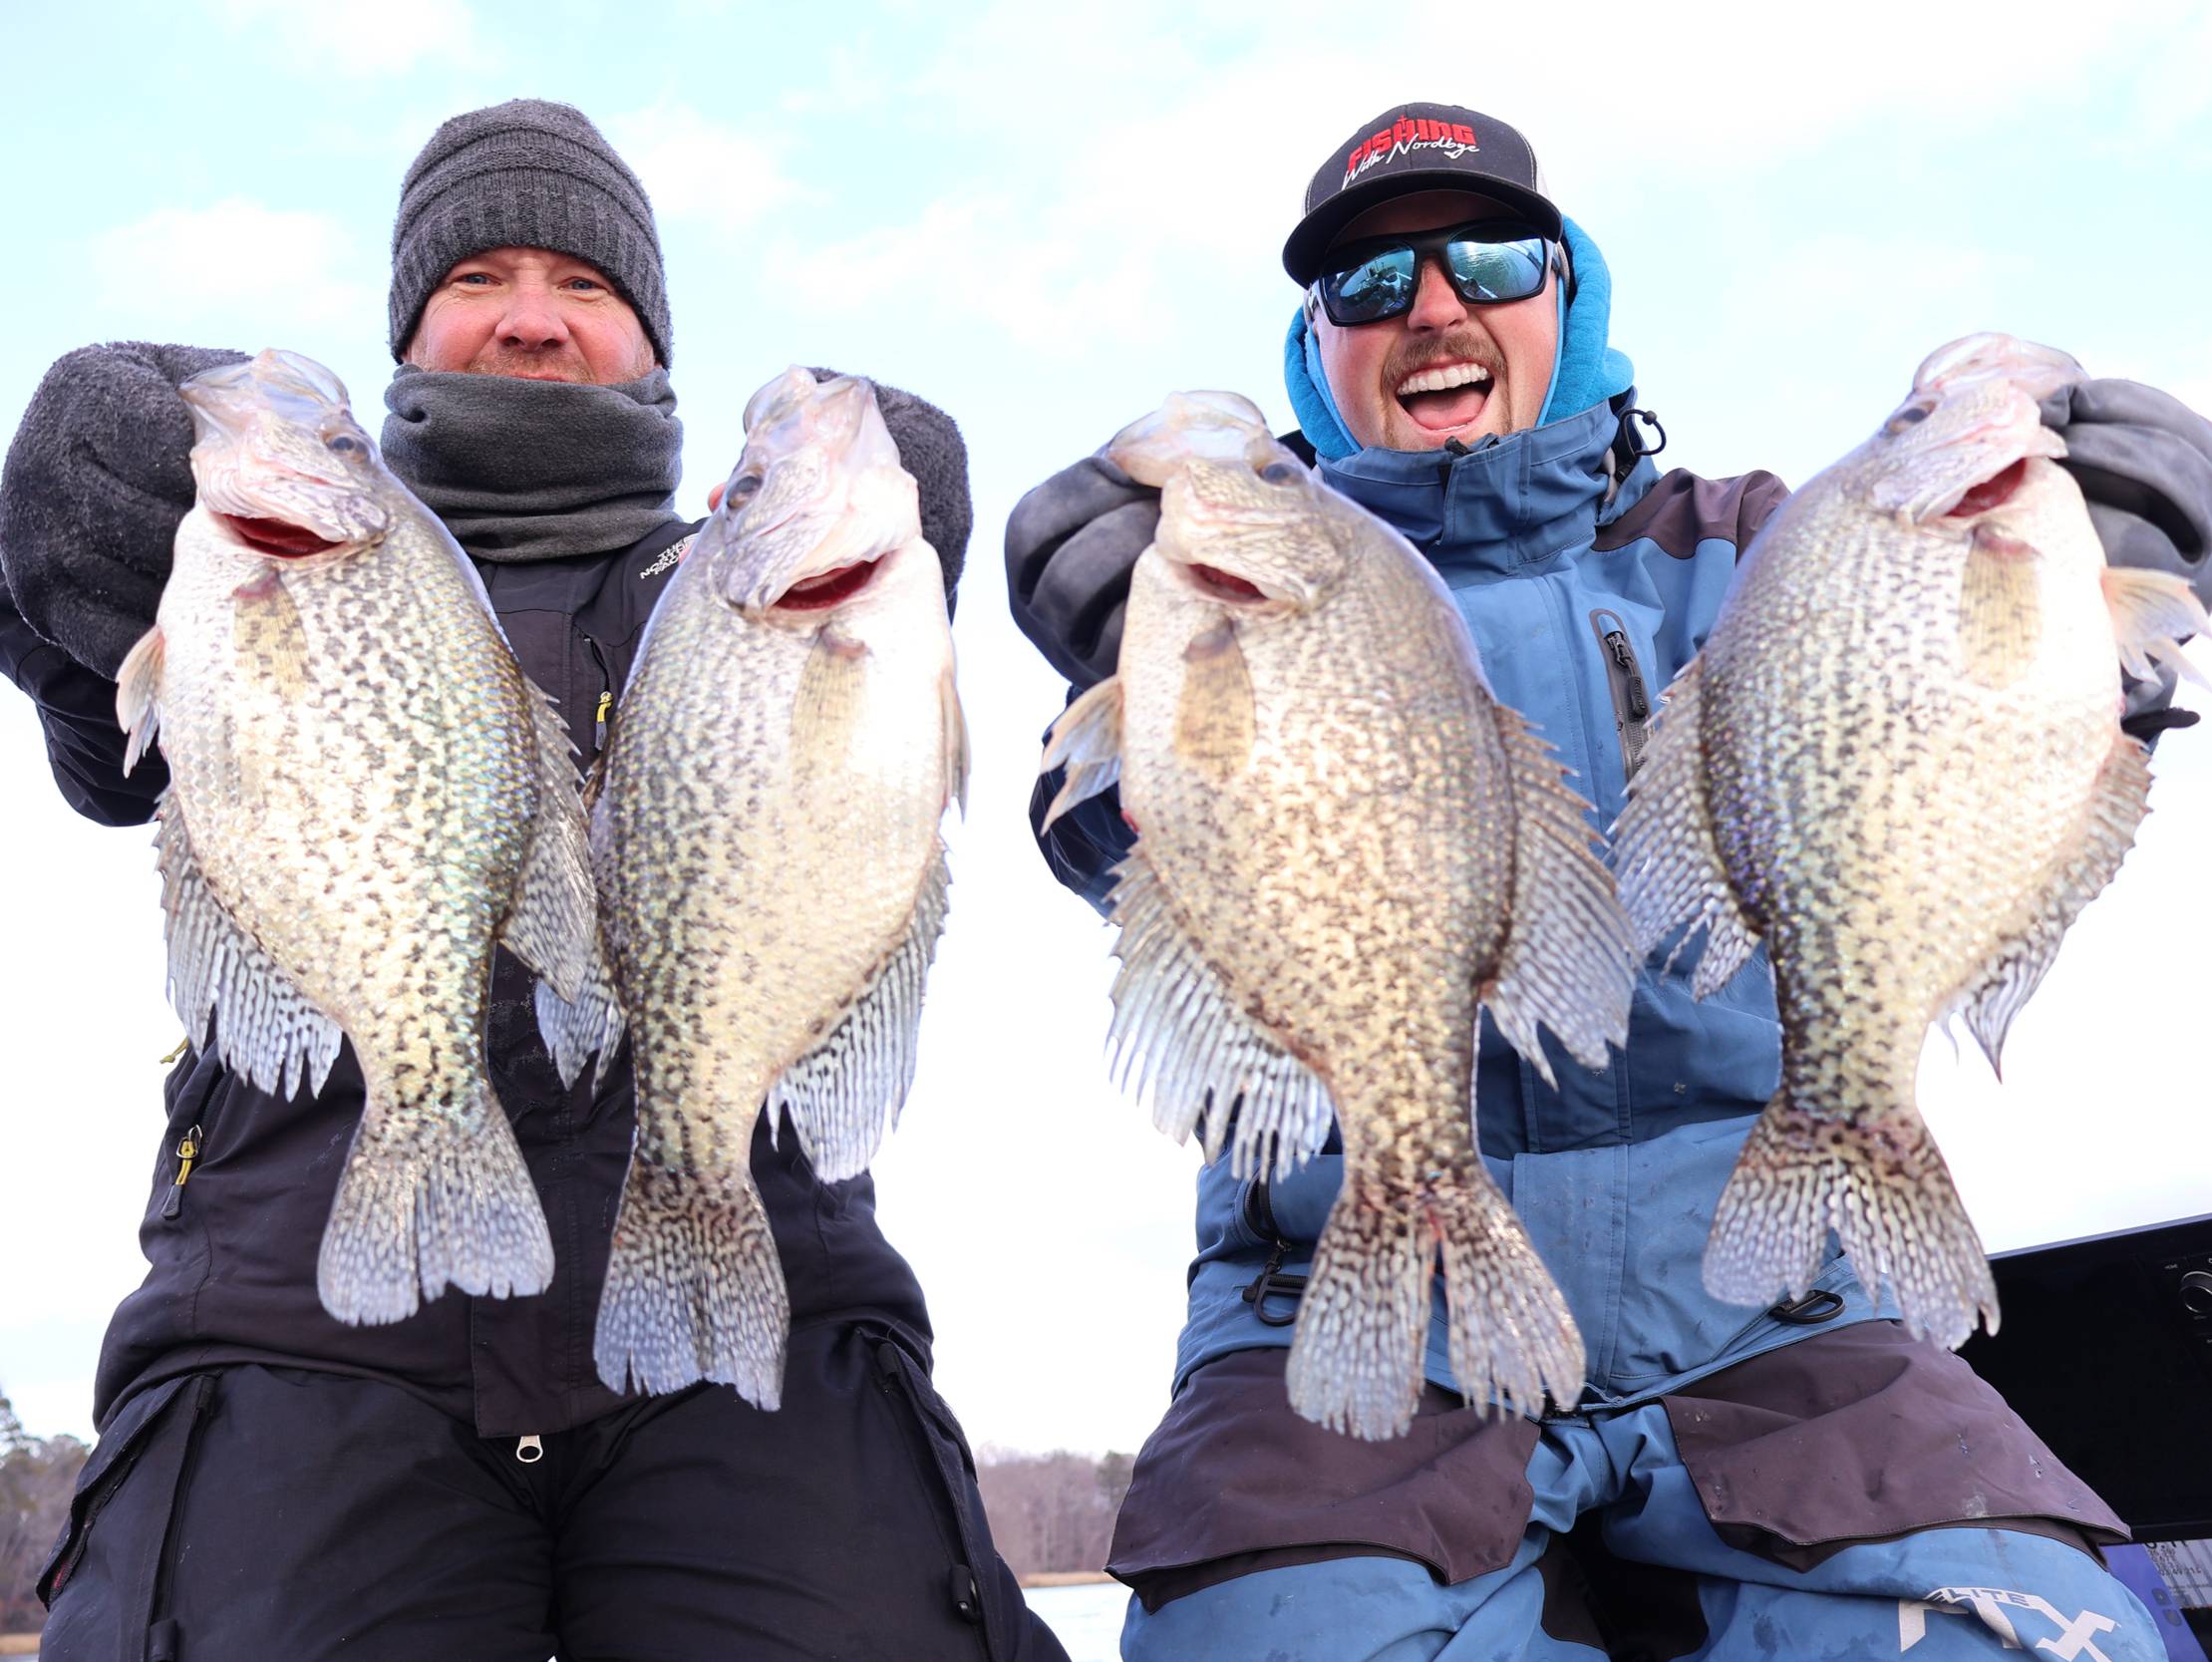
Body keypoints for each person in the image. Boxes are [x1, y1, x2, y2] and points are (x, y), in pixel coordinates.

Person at [1006, 101, 2212, 1660]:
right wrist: (1136, 686)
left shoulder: (1777, 554)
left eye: (1491, 260)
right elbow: (1120, 862)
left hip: (1774, 1314)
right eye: (1369, 289)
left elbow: (1994, 746)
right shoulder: (1238, 595)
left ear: (1569, 300)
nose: (1433, 308)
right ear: (1322, 353)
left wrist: (2115, 611)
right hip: (1348, 1320)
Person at [1, 98, 1065, 1662]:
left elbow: (882, 728)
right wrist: (78, 575)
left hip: (761, 1328)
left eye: (585, 286)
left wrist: (879, 521)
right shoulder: (240, 559)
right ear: (411, 333)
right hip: (291, 1335)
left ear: (652, 346)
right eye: (481, 276)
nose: (531, 318)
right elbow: (116, 751)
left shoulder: (727, 589)